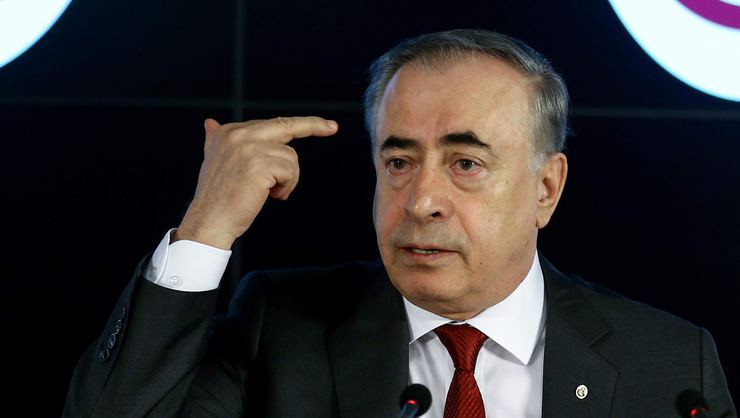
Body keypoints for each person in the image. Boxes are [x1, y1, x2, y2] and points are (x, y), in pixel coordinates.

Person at [64, 29, 735, 417]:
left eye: (466, 163)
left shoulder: (670, 365)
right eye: (399, 162)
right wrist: (205, 228)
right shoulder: (282, 328)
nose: (420, 201)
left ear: (545, 188)